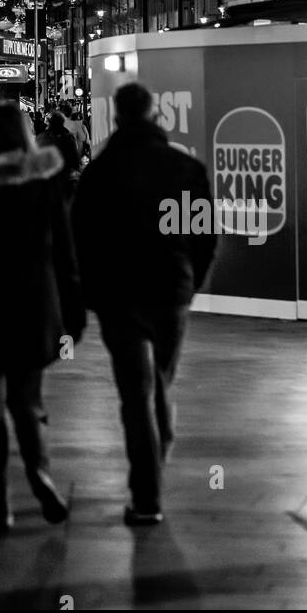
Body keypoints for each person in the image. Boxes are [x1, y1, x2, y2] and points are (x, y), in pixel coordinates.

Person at [71, 82, 216, 526]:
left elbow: (81, 240)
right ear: (155, 115)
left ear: (116, 117)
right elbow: (205, 235)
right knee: (161, 384)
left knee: (136, 396)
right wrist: (189, 285)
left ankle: (147, 496)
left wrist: (87, 294)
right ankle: (160, 453)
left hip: (119, 296)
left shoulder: (99, 173)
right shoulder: (185, 168)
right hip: (170, 290)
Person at [0, 101, 85, 533]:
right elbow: (65, 253)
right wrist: (73, 313)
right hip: (34, 306)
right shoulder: (45, 184)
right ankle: (40, 473)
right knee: (28, 402)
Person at [37, 112, 81, 199]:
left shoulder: (41, 138)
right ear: (62, 122)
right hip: (65, 178)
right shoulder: (68, 137)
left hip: (47, 179)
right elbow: (75, 160)